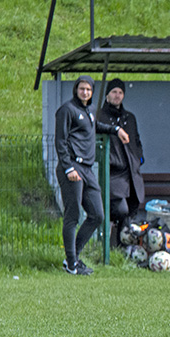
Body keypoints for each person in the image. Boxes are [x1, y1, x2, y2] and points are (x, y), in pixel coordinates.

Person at [55, 75, 129, 275]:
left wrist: (116, 129)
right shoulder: (67, 110)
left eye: (88, 89)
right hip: (72, 168)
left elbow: (96, 127)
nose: (85, 92)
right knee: (73, 215)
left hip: (87, 170)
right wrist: (68, 167)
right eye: (82, 89)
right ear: (76, 90)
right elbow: (60, 141)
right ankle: (72, 265)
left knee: (97, 215)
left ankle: (72, 258)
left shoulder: (89, 112)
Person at [97, 78, 145, 240]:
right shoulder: (99, 116)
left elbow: (136, 141)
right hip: (112, 173)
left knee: (130, 212)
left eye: (120, 92)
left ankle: (122, 249)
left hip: (131, 173)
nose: (117, 96)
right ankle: (112, 247)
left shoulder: (129, 117)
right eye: (114, 92)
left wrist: (139, 158)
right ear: (107, 95)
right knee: (120, 210)